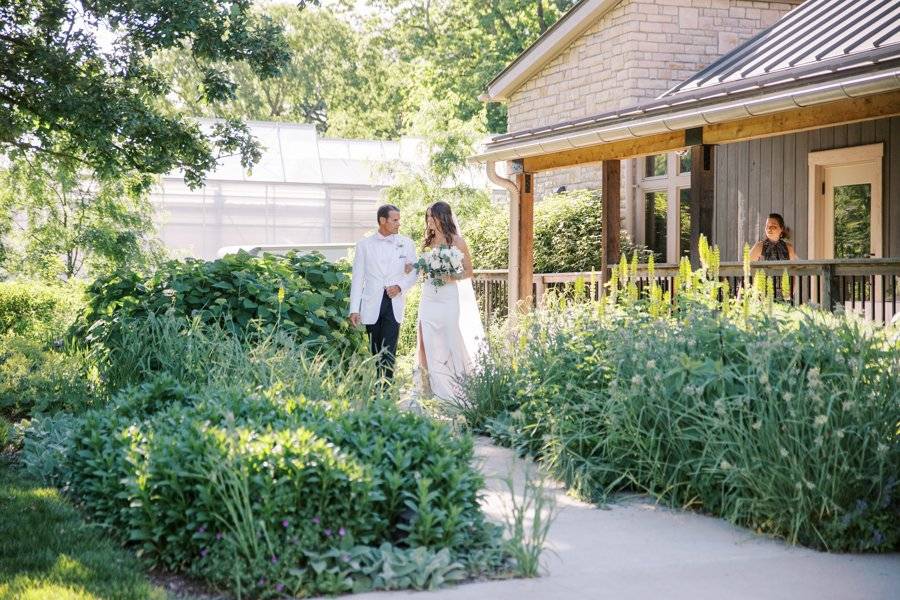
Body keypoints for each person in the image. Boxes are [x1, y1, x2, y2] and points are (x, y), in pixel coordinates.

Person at [411, 201, 485, 402]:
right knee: (427, 338)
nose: (428, 221)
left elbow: (469, 271)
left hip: (448, 298)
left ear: (442, 217)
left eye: (431, 216)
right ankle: (431, 387)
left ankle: (455, 387)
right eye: (426, 217)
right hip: (429, 296)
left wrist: (451, 276)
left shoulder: (458, 242)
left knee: (449, 338)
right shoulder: (428, 242)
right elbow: (423, 270)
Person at [348, 204, 418, 381]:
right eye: (395, 220)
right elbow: (357, 278)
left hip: (393, 302)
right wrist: (354, 309)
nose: (398, 223)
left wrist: (400, 286)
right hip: (371, 302)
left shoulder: (407, 243)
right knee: (376, 349)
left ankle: (386, 388)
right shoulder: (364, 245)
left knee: (389, 349)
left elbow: (415, 272)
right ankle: (378, 385)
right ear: (382, 221)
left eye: (399, 220)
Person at [749, 212, 798, 301]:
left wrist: (790, 294)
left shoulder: (789, 247)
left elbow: (793, 272)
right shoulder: (759, 246)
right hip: (764, 295)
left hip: (784, 295)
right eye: (767, 226)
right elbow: (747, 269)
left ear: (781, 229)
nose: (769, 229)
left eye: (773, 226)